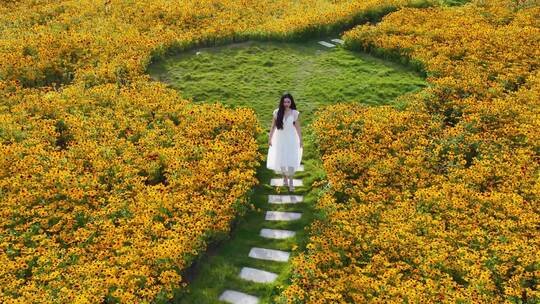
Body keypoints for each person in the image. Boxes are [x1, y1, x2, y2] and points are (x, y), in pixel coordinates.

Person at [266, 93, 303, 192]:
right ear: (282, 102)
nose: (286, 104)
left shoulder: (294, 113)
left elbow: (298, 127)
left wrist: (300, 140)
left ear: (291, 102)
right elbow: (273, 127)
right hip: (279, 138)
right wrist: (270, 138)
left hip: (291, 139)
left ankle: (291, 183)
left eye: (288, 102)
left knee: (291, 160)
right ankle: (285, 178)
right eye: (285, 102)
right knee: (281, 159)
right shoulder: (277, 112)